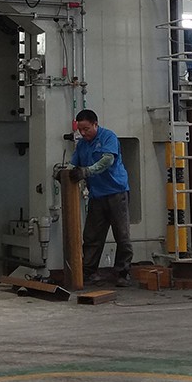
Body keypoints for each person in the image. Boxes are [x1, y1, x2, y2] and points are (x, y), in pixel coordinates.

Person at [65, 108, 132, 287]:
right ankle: (88, 273)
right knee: (92, 236)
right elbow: (73, 164)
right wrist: (64, 174)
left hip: (116, 193)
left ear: (95, 124)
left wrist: (86, 171)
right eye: (80, 130)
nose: (83, 133)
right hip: (97, 196)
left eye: (86, 129)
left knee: (122, 235)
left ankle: (123, 273)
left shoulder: (108, 137)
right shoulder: (82, 145)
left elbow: (107, 160)